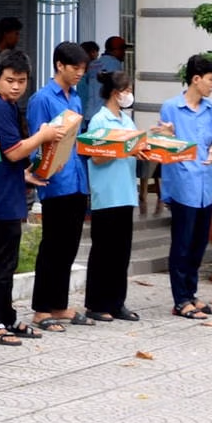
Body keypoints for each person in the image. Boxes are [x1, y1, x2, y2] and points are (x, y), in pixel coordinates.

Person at [0, 49, 63, 345]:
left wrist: (24, 175)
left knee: (7, 263)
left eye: (21, 81)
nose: (16, 86)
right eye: (10, 80)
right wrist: (43, 135)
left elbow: (1, 156)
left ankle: (6, 318)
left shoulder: (7, 106)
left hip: (6, 195)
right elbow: (13, 151)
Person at [26, 42, 91, 331]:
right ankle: (41, 309)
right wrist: (42, 166)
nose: (80, 73)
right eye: (75, 67)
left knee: (69, 246)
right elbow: (35, 140)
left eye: (83, 69)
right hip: (55, 181)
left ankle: (59, 304)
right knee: (52, 245)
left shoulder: (75, 98)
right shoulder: (42, 99)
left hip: (77, 178)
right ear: (59, 65)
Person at [156, 55, 212, 321]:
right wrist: (166, 135)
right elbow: (164, 145)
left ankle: (191, 293)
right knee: (182, 244)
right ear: (196, 79)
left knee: (198, 244)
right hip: (182, 184)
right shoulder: (171, 108)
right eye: (211, 80)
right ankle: (180, 300)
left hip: (205, 184)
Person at [82, 70, 140, 323]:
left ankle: (117, 302)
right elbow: (95, 156)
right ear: (116, 94)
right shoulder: (99, 120)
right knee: (103, 251)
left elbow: (135, 147)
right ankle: (96, 303)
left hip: (126, 192)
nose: (129, 95)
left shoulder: (127, 121)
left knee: (121, 252)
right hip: (106, 194)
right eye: (127, 91)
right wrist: (120, 149)